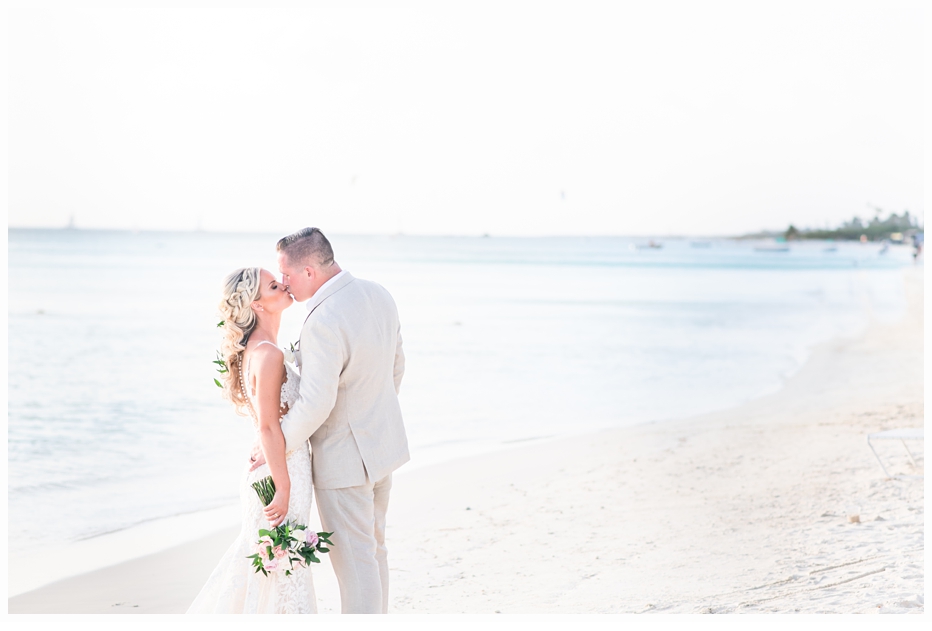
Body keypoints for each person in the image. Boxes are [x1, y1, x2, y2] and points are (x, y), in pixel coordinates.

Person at [250, 227, 409, 614]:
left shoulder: (322, 321)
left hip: (344, 461)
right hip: (383, 446)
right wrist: (371, 415)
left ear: (309, 272)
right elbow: (397, 367)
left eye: (285, 276)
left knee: (355, 566)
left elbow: (316, 403)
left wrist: (274, 446)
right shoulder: (378, 293)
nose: (284, 285)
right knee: (374, 551)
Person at [188, 267, 317, 614]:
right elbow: (268, 428)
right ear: (258, 305)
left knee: (271, 571)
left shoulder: (257, 350)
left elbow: (267, 422)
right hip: (280, 473)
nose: (284, 285)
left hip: (274, 468)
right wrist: (284, 486)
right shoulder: (269, 355)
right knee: (279, 570)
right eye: (274, 285)